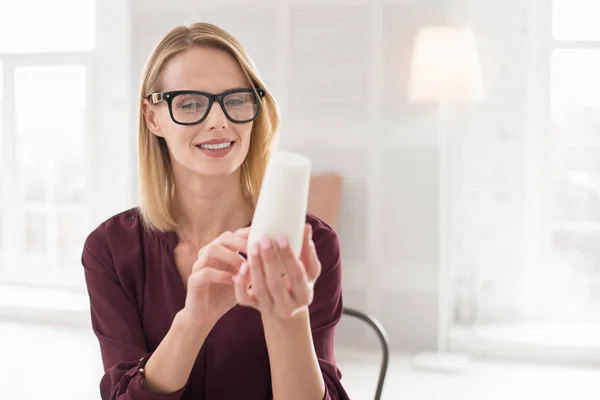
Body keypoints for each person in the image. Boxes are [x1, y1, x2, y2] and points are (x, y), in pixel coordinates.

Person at [81, 22, 350, 400]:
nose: (219, 120)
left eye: (237, 99)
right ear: (152, 117)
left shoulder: (314, 244)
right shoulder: (110, 248)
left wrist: (286, 316)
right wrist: (194, 320)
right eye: (190, 103)